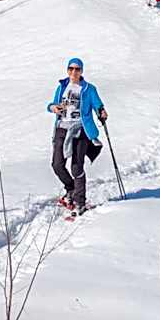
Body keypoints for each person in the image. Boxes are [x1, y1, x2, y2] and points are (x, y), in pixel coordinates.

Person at [47, 57, 107, 216]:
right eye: (71, 69)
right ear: (67, 70)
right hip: (61, 128)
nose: (74, 72)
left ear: (81, 71)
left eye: (77, 69)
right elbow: (52, 104)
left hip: (80, 130)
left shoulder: (88, 89)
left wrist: (101, 111)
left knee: (77, 167)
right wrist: (54, 108)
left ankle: (80, 202)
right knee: (57, 165)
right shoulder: (62, 87)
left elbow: (98, 105)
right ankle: (71, 188)